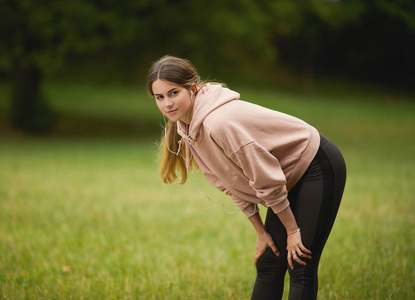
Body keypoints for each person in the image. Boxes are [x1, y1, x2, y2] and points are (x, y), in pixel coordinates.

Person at [147, 55, 346, 300]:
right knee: (269, 264)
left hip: (315, 164)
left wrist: (293, 231)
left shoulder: (217, 123)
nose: (167, 103)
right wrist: (262, 232)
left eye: (173, 93)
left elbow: (266, 180)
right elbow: (231, 183)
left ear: (193, 88)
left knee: (300, 265)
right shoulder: (188, 128)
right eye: (160, 97)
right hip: (285, 177)